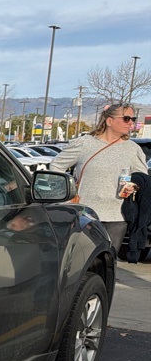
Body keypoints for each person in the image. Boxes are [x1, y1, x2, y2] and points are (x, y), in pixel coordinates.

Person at [50, 103, 148, 256]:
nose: (131, 123)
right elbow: (56, 166)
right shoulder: (85, 143)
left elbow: (142, 178)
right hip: (84, 214)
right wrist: (65, 194)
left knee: (106, 261)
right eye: (126, 118)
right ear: (109, 121)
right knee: (79, 261)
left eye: (133, 119)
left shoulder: (132, 149)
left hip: (116, 215)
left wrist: (133, 185)